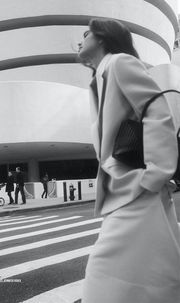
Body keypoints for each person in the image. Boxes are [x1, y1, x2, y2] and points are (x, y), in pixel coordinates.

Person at [78, 18, 180, 303]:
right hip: (125, 190)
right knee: (156, 268)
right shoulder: (99, 76)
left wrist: (155, 174)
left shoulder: (119, 63)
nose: (80, 39)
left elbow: (157, 110)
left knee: (104, 270)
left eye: (86, 34)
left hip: (135, 188)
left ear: (102, 38)